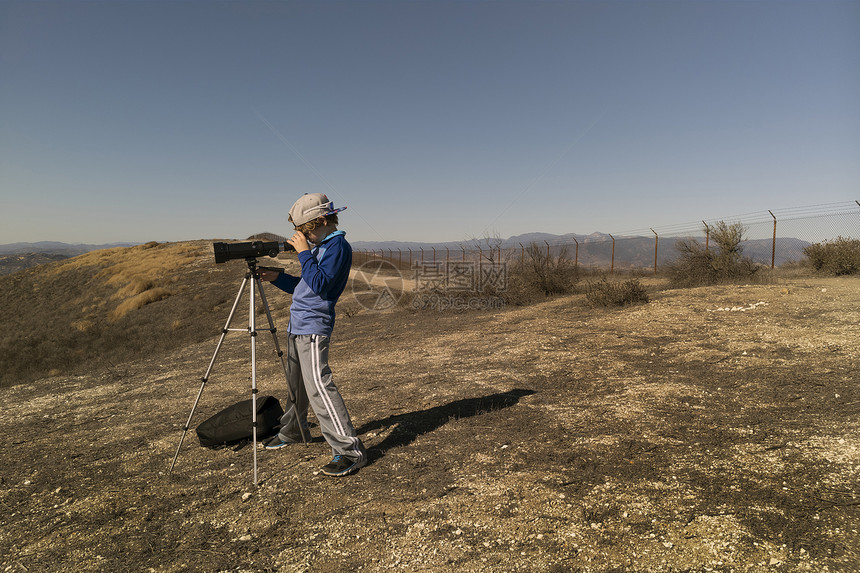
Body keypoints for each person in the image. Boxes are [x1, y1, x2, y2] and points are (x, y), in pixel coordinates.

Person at [258, 193, 367, 477]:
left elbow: (321, 286)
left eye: (305, 231)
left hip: (314, 328)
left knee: (319, 387)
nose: (302, 237)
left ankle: (348, 451)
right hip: (296, 325)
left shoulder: (338, 247)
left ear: (321, 221)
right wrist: (278, 278)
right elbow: (305, 285)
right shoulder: (320, 246)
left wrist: (304, 252)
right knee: (296, 387)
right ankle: (293, 431)